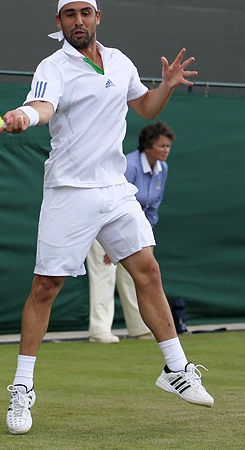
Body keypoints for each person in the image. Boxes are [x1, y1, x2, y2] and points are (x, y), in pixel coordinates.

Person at [0, 0, 214, 435]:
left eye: (85, 13)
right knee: (45, 287)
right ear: (58, 23)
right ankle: (22, 388)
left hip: (115, 188)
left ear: (98, 17)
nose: (78, 21)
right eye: (69, 15)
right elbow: (42, 106)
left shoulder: (119, 61)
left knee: (148, 270)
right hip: (69, 190)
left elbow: (144, 107)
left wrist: (166, 86)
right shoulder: (52, 67)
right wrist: (24, 115)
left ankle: (176, 369)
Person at [87, 121, 176, 343]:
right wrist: (113, 242)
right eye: (162, 146)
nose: (166, 150)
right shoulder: (129, 166)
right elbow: (112, 201)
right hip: (104, 225)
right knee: (104, 274)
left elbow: (153, 206)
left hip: (134, 228)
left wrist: (142, 237)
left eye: (168, 146)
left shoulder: (162, 169)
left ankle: (140, 327)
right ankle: (99, 331)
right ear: (148, 146)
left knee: (135, 275)